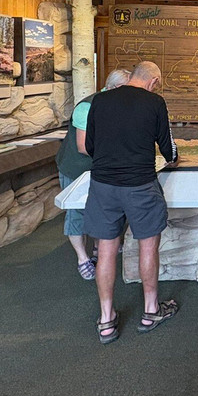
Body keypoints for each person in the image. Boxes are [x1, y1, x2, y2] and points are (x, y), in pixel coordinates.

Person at [84, 61, 179, 344]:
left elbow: (90, 145)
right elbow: (168, 149)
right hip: (140, 185)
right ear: (153, 80)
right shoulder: (155, 102)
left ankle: (106, 320)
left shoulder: (99, 101)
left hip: (103, 186)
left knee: (106, 251)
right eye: (157, 83)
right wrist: (174, 156)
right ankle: (150, 310)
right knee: (148, 246)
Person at [56, 67, 131, 280]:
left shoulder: (117, 106)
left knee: (103, 209)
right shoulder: (87, 107)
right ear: (115, 88)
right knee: (77, 212)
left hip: (100, 167)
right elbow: (83, 146)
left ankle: (99, 247)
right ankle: (82, 258)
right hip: (77, 167)